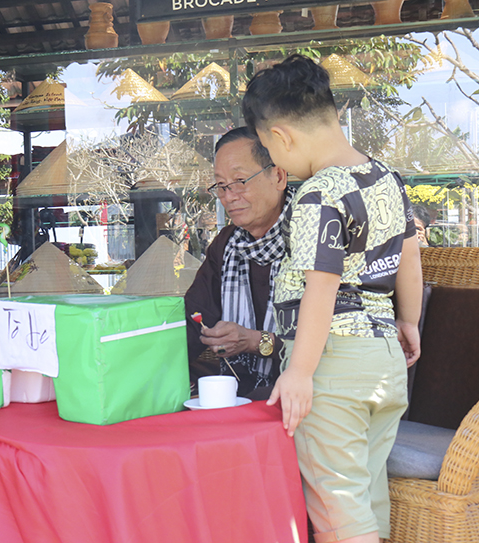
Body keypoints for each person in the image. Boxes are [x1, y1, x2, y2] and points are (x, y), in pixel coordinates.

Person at [243, 54, 422, 543]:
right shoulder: (386, 177)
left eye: (266, 149)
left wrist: (299, 373)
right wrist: (410, 323)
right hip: (383, 362)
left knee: (338, 514)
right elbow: (409, 256)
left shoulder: (317, 196)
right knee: (364, 498)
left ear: (279, 136)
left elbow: (321, 287)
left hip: (333, 365)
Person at [184, 127, 293, 399]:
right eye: (221, 185)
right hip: (238, 394)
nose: (228, 196)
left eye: (240, 180)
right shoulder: (227, 244)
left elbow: (333, 347)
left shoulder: (313, 237)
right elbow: (192, 322)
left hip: (301, 395)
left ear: (278, 176)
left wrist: (255, 342)